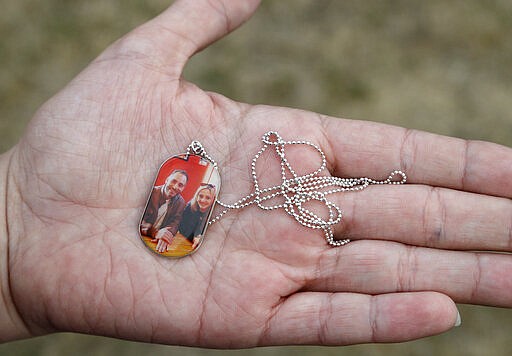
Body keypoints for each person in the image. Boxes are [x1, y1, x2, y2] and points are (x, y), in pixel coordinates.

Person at [1, 0, 512, 348]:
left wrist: (13, 241)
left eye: (183, 188)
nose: (180, 187)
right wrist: (14, 228)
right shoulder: (182, 200)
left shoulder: (199, 197)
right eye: (179, 187)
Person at [140, 169, 188, 253]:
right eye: (173, 181)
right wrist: (155, 233)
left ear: (183, 188)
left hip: (156, 243)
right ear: (167, 180)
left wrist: (166, 235)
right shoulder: (150, 192)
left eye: (180, 185)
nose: (175, 187)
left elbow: (175, 223)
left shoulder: (181, 203)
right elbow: (138, 219)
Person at [178, 183, 216, 250]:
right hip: (184, 242)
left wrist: (199, 237)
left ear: (213, 199)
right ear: (196, 196)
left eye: (208, 198)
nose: (203, 200)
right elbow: (181, 227)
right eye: (200, 196)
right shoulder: (190, 206)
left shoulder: (214, 212)